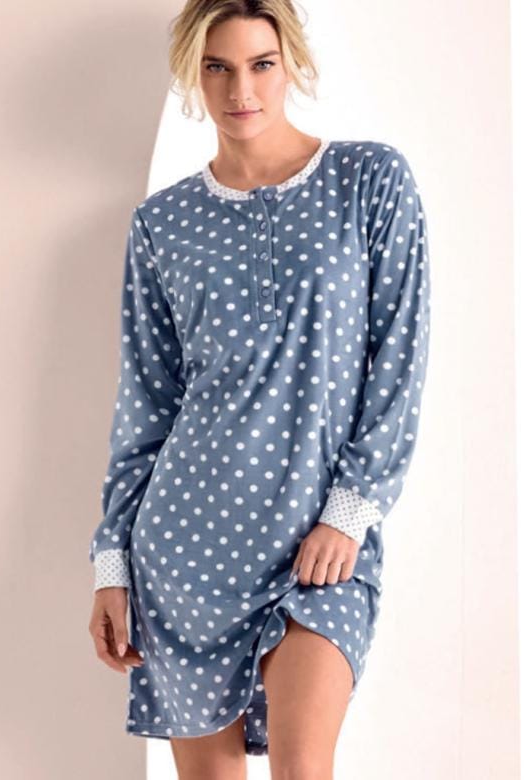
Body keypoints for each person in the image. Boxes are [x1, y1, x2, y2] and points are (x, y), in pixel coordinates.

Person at [87, 1, 431, 777]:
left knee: (303, 766)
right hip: (185, 550)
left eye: (260, 64)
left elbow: (399, 358)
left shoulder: (367, 181)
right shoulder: (162, 224)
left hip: (318, 540)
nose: (240, 89)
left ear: (290, 64)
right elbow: (145, 406)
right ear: (192, 73)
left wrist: (350, 511)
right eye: (217, 67)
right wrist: (111, 564)